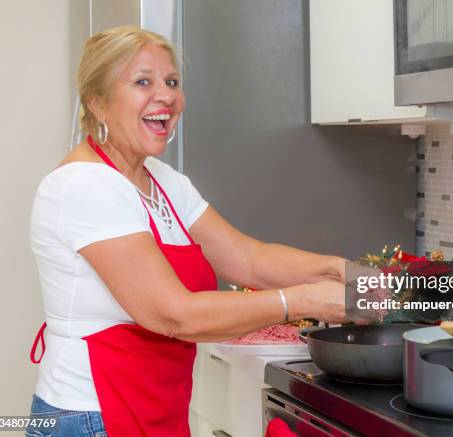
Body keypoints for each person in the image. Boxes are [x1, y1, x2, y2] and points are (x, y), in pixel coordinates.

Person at [27, 26, 346, 437]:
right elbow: (171, 314)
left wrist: (338, 270)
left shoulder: (162, 180)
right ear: (97, 102)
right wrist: (301, 300)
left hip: (156, 412)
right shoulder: (83, 186)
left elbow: (246, 259)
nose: (166, 96)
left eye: (172, 82)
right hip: (91, 419)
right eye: (143, 81)